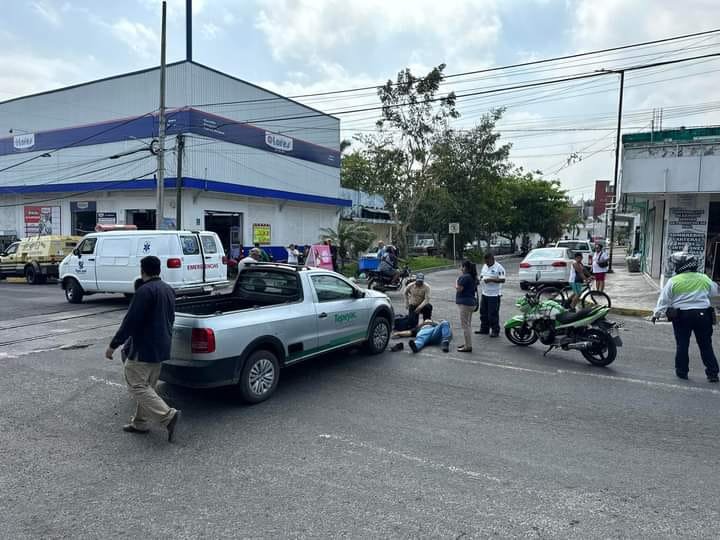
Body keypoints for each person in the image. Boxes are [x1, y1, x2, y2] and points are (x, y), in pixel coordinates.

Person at [105, 256, 181, 442]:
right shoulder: (168, 289)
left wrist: (113, 345)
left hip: (144, 347)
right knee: (148, 387)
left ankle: (167, 416)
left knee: (137, 386)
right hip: (162, 345)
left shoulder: (144, 291)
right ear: (159, 269)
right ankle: (140, 423)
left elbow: (130, 321)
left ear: (142, 270)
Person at [652, 251, 719, 382]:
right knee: (706, 345)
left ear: (681, 265)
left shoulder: (673, 281)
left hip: (682, 316)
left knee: (682, 345)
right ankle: (712, 373)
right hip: (703, 315)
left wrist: (656, 314)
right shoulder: (704, 278)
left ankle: (682, 372)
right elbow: (713, 291)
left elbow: (664, 300)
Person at [477, 253, 506, 337]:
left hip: (494, 294)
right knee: (483, 312)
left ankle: (495, 330)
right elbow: (482, 276)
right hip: (485, 293)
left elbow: (502, 280)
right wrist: (480, 279)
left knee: (492, 313)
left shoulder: (499, 267)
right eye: (485, 261)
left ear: (492, 259)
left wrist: (490, 279)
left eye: (488, 261)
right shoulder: (485, 266)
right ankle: (484, 329)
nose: (486, 263)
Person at [455, 260, 478, 353]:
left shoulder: (464, 277)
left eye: (462, 266)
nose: (461, 268)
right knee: (468, 325)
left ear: (465, 267)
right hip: (471, 303)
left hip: (465, 304)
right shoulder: (473, 276)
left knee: (465, 326)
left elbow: (459, 289)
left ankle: (468, 346)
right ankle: (467, 343)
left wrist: (456, 283)